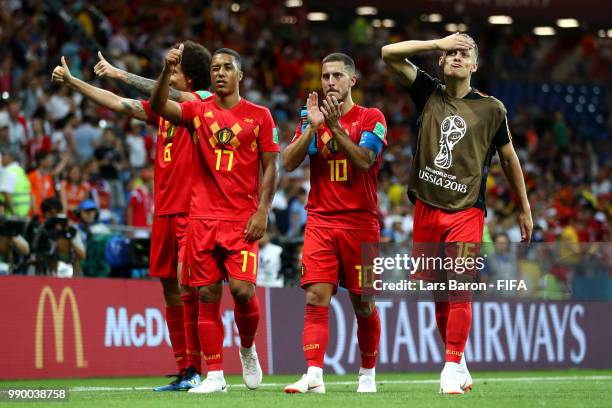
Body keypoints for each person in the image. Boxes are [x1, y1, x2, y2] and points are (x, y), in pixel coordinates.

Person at [52, 40, 212, 391]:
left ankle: (204, 370)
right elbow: (117, 103)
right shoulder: (165, 111)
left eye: (174, 69)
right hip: (164, 212)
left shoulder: (201, 104)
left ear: (187, 75)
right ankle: (185, 369)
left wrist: (118, 72)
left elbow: (165, 93)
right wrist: (74, 82)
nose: (168, 73)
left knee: (189, 289)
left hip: (191, 211)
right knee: (169, 287)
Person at [382, 32, 532, 394]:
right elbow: (388, 54)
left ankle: (450, 366)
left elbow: (509, 158)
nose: (457, 57)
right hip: (426, 209)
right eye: (452, 53)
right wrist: (437, 41)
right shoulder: (428, 93)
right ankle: (458, 360)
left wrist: (524, 208)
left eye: (465, 53)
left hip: (467, 211)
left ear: (475, 65)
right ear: (441, 60)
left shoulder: (492, 109)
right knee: (439, 294)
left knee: (459, 286)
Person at [150, 46, 280, 394]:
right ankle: (216, 376)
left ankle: (248, 348)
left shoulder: (260, 116)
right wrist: (165, 73)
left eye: (226, 68)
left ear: (241, 75)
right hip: (202, 219)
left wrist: (263, 209)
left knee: (241, 291)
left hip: (242, 219)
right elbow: (160, 106)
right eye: (214, 68)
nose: (219, 73)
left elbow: (271, 166)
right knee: (207, 293)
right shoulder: (196, 110)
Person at [282, 53, 387, 393]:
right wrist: (312, 127)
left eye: (337, 76)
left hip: (362, 225)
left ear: (352, 81)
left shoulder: (372, 118)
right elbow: (288, 162)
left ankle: (367, 373)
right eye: (325, 76)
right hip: (321, 221)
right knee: (315, 297)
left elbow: (365, 160)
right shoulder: (310, 117)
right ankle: (314, 374)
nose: (329, 82)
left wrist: (335, 127)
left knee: (364, 303)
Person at [0, 146, 31, 217]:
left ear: (11, 158)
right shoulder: (20, 171)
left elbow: (7, 194)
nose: (2, 158)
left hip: (12, 216)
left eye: (4, 155)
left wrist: (14, 214)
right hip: (23, 213)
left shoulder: (9, 172)